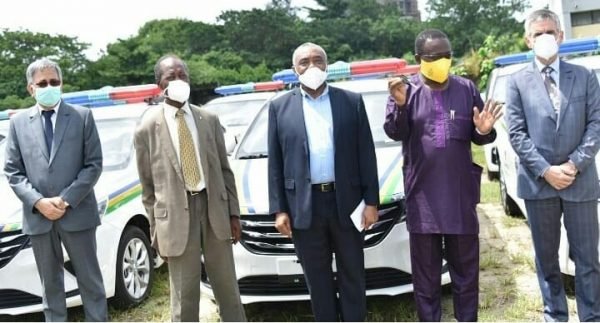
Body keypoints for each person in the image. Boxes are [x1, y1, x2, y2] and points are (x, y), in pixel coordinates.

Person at [384, 29, 502, 321]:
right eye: (434, 56)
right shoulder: (404, 91)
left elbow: (478, 135)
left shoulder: (465, 89)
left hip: (460, 199)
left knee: (466, 277)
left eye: (447, 55)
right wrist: (399, 107)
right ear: (418, 59)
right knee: (426, 282)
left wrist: (484, 131)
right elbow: (394, 131)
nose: (442, 61)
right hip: (423, 200)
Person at [268, 42, 379, 321]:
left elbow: (366, 153)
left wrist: (372, 202)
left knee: (352, 272)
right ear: (295, 69)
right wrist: (279, 209)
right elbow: (276, 164)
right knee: (317, 279)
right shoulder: (279, 108)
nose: (312, 66)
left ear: (327, 65)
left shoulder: (351, 102)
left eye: (318, 60)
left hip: (348, 203)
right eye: (304, 62)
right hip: (305, 208)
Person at [134, 54, 246, 322]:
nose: (178, 80)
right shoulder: (147, 128)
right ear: (159, 83)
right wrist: (155, 231)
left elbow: (224, 170)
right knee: (184, 296)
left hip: (213, 209)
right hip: (174, 217)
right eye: (170, 76)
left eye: (182, 74)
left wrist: (234, 214)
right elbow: (148, 189)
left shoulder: (207, 119)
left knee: (228, 288)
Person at [505, 9, 600, 321]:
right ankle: (554, 315)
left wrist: (573, 165)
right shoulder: (517, 81)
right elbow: (516, 133)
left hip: (580, 181)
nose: (544, 38)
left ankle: (591, 316)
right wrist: (546, 170)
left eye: (549, 32)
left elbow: (596, 125)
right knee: (547, 260)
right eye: (538, 34)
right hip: (538, 184)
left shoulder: (585, 76)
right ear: (528, 40)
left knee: (587, 259)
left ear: (560, 36)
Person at [4, 58, 107, 321]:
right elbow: (13, 172)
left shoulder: (82, 117)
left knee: (91, 283)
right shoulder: (17, 124)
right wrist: (39, 202)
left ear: (61, 84)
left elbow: (93, 165)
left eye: (54, 82)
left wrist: (66, 200)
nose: (49, 87)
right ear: (31, 88)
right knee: (50, 287)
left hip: (77, 213)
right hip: (39, 219)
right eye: (42, 83)